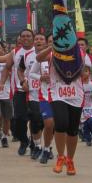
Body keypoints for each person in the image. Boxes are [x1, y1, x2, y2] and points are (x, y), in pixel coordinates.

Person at [36, 45, 84, 176]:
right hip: (57, 93)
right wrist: (52, 47)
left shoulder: (78, 51)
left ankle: (70, 160)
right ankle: (60, 157)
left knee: (73, 130)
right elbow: (39, 57)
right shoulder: (52, 53)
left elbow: (84, 71)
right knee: (61, 123)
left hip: (76, 94)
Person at [18, 33, 46, 159]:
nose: (38, 41)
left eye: (41, 39)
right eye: (36, 39)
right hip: (33, 94)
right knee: (36, 119)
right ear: (33, 42)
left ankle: (47, 147)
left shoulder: (51, 55)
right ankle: (37, 146)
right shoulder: (27, 55)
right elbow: (20, 70)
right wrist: (23, 81)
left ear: (45, 42)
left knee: (47, 122)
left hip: (48, 94)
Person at [29, 34, 54, 163]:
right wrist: (41, 78)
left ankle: (47, 148)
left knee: (53, 125)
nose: (52, 44)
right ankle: (41, 147)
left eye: (53, 42)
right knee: (47, 122)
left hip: (60, 96)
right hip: (44, 95)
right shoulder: (42, 58)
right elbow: (31, 73)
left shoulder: (65, 58)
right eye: (49, 42)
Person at [80, 66, 92, 147]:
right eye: (83, 71)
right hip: (83, 107)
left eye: (86, 71)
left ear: (89, 72)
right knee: (85, 125)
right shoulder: (79, 83)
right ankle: (88, 139)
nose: (85, 73)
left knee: (91, 121)